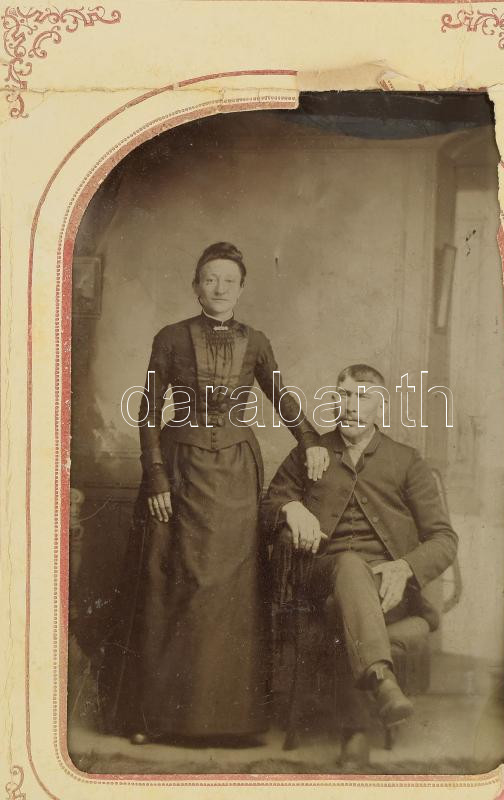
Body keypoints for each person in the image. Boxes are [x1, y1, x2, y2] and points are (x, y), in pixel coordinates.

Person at [100, 242, 329, 745]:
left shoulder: (257, 341)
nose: (220, 288)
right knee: (171, 583)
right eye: (210, 279)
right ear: (196, 287)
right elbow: (148, 411)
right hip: (178, 470)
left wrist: (311, 439)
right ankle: (155, 718)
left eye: (229, 280)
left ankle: (231, 722)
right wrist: (155, 477)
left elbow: (281, 395)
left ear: (241, 288)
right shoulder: (170, 338)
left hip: (236, 474)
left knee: (232, 590)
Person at [261, 363, 458, 766]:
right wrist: (291, 509)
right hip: (319, 580)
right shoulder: (310, 453)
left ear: (381, 406)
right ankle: (380, 685)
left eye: (362, 397)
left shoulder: (406, 461)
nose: (350, 406)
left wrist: (405, 567)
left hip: (386, 589)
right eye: (343, 395)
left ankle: (356, 728)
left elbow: (443, 539)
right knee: (349, 565)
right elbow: (268, 508)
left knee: (346, 608)